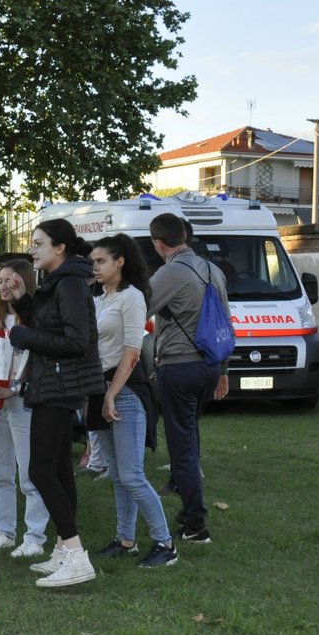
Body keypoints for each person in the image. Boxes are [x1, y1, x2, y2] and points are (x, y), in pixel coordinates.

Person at [9, 218, 103, 588]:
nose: (32, 248)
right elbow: (53, 328)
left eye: (39, 242)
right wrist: (24, 303)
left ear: (60, 248)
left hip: (61, 386)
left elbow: (75, 341)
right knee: (60, 470)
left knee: (41, 470)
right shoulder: (60, 283)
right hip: (56, 383)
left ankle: (76, 555)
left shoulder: (71, 285)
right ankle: (65, 548)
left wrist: (22, 335)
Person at [89, 235, 178, 568]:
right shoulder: (98, 297)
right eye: (93, 262)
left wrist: (112, 393)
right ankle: (125, 540)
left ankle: (165, 544)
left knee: (131, 475)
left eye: (101, 261)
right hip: (100, 390)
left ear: (120, 261)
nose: (94, 267)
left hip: (125, 392)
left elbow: (132, 351)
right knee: (117, 474)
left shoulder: (133, 297)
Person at [146, 211, 229, 543]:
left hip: (179, 365)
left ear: (158, 243)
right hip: (209, 365)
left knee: (182, 445)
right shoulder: (214, 270)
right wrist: (223, 371)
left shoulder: (170, 273)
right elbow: (225, 325)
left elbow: (139, 307)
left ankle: (196, 524)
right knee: (189, 436)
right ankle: (188, 508)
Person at [0, 259, 51, 559]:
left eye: (11, 280)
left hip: (23, 403)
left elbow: (37, 363)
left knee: (29, 473)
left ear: (23, 282)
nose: (4, 286)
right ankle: (4, 531)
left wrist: (15, 389)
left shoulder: (34, 320)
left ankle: (35, 536)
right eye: (0, 281)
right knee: (0, 473)